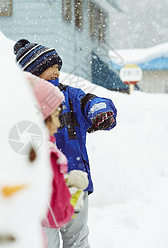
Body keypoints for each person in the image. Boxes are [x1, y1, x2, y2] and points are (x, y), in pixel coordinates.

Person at [16, 40, 117, 248]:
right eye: (49, 68)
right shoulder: (22, 103)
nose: (55, 72)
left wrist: (100, 111)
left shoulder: (70, 97)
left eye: (57, 68)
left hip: (74, 185)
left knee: (77, 238)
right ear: (34, 73)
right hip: (40, 190)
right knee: (45, 242)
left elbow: (91, 102)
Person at [24, 72, 89, 247]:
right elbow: (56, 214)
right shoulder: (47, 155)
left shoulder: (19, 149)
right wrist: (74, 192)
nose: (59, 124)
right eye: (55, 116)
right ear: (42, 117)